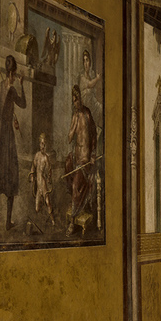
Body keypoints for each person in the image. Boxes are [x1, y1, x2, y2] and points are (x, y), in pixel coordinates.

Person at [0, 55, 27, 231]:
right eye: (15, 75)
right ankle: (7, 222)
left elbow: (1, 109)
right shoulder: (13, 89)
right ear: (13, 73)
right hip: (7, 136)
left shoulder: (0, 87)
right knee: (12, 173)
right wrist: (21, 85)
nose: (15, 77)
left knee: (0, 174)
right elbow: (23, 104)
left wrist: (11, 116)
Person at [64, 84, 98, 234]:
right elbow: (69, 139)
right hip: (78, 158)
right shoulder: (75, 116)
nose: (76, 104)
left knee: (76, 187)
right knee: (70, 176)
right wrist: (73, 126)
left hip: (86, 160)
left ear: (81, 99)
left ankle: (72, 222)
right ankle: (77, 211)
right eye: (73, 102)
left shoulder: (87, 113)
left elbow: (94, 135)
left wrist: (93, 155)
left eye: (77, 101)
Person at [29, 133, 54, 225]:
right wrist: (32, 176)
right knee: (36, 206)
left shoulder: (46, 158)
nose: (42, 146)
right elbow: (33, 167)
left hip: (42, 183)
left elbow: (49, 171)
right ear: (39, 144)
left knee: (47, 201)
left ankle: (52, 220)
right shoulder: (36, 155)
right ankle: (38, 221)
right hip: (37, 182)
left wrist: (49, 178)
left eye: (44, 144)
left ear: (46, 145)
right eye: (41, 144)